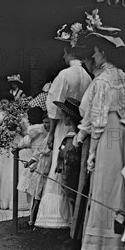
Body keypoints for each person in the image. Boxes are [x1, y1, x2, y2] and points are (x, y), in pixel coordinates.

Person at [76, 33, 125, 250]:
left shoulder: (102, 81)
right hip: (124, 136)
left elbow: (97, 119)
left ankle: (104, 243)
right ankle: (122, 238)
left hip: (107, 137)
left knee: (105, 184)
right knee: (122, 183)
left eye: (94, 53)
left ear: (102, 53)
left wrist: (90, 149)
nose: (91, 58)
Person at [36, 41, 91, 229]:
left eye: (64, 53)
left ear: (68, 53)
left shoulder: (65, 74)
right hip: (78, 125)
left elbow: (53, 107)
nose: (62, 57)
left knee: (59, 165)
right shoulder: (88, 76)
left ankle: (56, 217)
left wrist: (50, 133)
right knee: (71, 164)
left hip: (62, 124)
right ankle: (73, 217)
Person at [0, 91, 30, 211]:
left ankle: (18, 202)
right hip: (6, 147)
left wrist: (18, 127)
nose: (3, 105)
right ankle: (4, 201)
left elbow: (26, 132)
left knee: (16, 171)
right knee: (6, 171)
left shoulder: (20, 115)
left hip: (18, 143)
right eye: (1, 103)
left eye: (5, 102)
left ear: (11, 103)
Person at [13, 107, 47, 210]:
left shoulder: (34, 129)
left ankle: (33, 211)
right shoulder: (44, 128)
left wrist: (18, 146)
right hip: (43, 156)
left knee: (31, 188)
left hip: (36, 157)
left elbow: (24, 142)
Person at [23, 114, 51, 226]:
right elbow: (38, 152)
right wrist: (31, 162)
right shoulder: (46, 137)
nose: (45, 125)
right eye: (44, 122)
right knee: (36, 193)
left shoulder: (51, 137)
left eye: (48, 122)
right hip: (41, 167)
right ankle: (32, 219)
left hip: (48, 168)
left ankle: (38, 219)